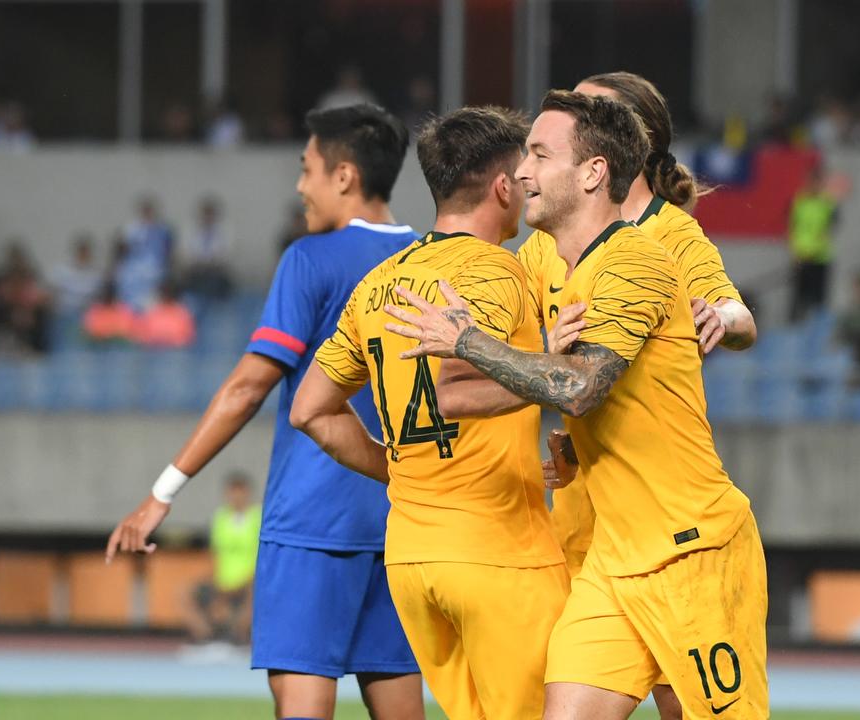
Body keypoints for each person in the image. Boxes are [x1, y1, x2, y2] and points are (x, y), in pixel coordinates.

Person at [385, 91, 768, 719]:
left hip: (690, 551)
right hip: (612, 559)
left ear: (594, 173)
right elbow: (541, 382)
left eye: (539, 154)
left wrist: (468, 342)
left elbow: (582, 387)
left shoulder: (639, 257)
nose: (521, 172)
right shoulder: (547, 260)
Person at [105, 103, 424, 720]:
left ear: (344, 177)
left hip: (312, 523)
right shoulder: (428, 262)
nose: (300, 185)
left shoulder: (310, 259)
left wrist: (162, 491)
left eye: (307, 169)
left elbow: (247, 389)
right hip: (402, 523)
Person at [292, 105, 567, 719]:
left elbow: (310, 410)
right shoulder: (504, 274)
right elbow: (459, 383)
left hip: (413, 559)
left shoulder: (380, 283)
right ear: (502, 186)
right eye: (521, 172)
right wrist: (555, 366)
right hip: (498, 551)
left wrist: (395, 468)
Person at [512, 71, 759, 720]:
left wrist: (719, 318)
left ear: (620, 148)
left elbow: (739, 316)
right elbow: (534, 354)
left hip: (675, 531)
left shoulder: (668, 238)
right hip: (590, 523)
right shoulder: (545, 245)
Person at [186, 473, 261, 645]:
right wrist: (218, 587)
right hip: (223, 581)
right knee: (185, 594)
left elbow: (263, 557)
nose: (236, 497)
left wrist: (243, 583)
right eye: (232, 492)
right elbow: (215, 555)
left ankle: (238, 639)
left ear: (247, 493)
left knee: (254, 593)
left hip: (250, 580)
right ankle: (206, 639)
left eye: (240, 492)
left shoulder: (259, 517)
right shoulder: (220, 518)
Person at [788, 164, 840, 322]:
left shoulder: (827, 203)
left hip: (819, 259)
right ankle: (796, 330)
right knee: (798, 299)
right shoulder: (799, 201)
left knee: (819, 300)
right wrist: (797, 253)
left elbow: (829, 230)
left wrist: (814, 251)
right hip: (801, 258)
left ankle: (816, 331)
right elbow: (793, 228)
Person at [133, 280, 196, 348]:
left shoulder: (183, 314)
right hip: (153, 350)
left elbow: (188, 338)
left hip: (175, 351)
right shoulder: (151, 312)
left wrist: (169, 341)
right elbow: (141, 337)